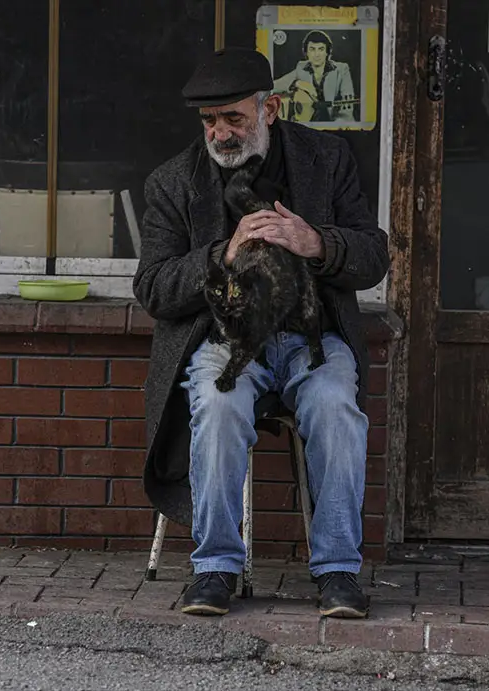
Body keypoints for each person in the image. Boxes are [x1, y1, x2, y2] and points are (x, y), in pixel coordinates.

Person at [132, 47, 389, 618]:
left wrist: (316, 242)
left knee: (334, 405)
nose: (220, 133)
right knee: (218, 408)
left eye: (234, 119)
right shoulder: (173, 183)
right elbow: (151, 287)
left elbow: (374, 256)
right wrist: (220, 254)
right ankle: (215, 569)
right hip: (223, 342)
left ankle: (339, 572)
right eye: (209, 122)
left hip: (311, 336)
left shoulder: (326, 159)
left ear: (269, 109)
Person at [272, 30, 356, 123]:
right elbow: (273, 86)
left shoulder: (341, 70)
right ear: (306, 52)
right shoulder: (301, 68)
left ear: (327, 52)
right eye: (312, 49)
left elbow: (346, 114)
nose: (317, 54)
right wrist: (296, 83)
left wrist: (332, 128)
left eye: (321, 49)